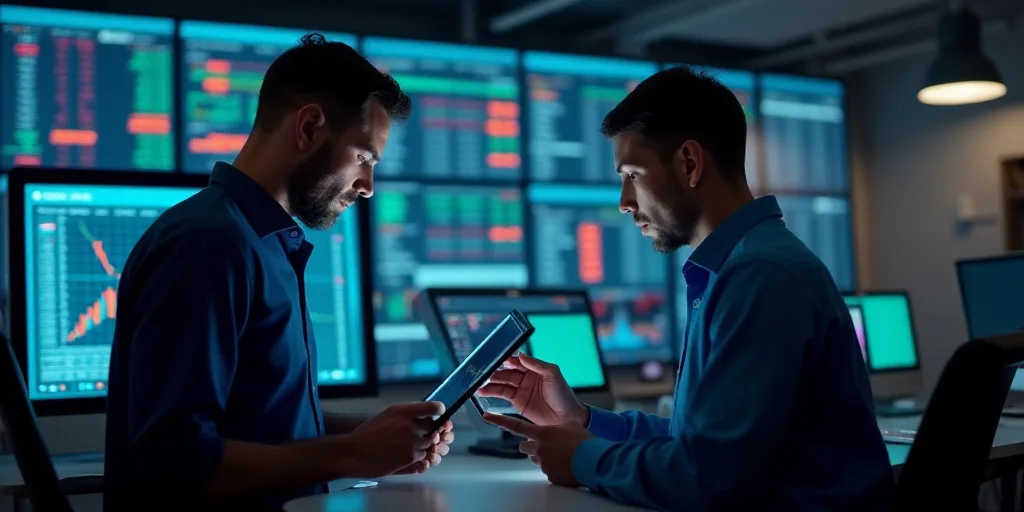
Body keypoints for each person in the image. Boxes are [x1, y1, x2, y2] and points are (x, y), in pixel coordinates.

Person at [480, 66, 894, 511]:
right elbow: (700, 441)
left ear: (690, 164)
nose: (624, 202)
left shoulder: (760, 276)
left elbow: (710, 476)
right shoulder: (741, 266)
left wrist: (582, 459)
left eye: (633, 174)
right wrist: (580, 420)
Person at [104, 34, 453, 511]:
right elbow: (171, 462)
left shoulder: (261, 241)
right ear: (309, 127)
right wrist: (351, 454)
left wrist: (367, 436)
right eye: (363, 158)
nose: (368, 186)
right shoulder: (208, 245)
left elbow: (257, 421)